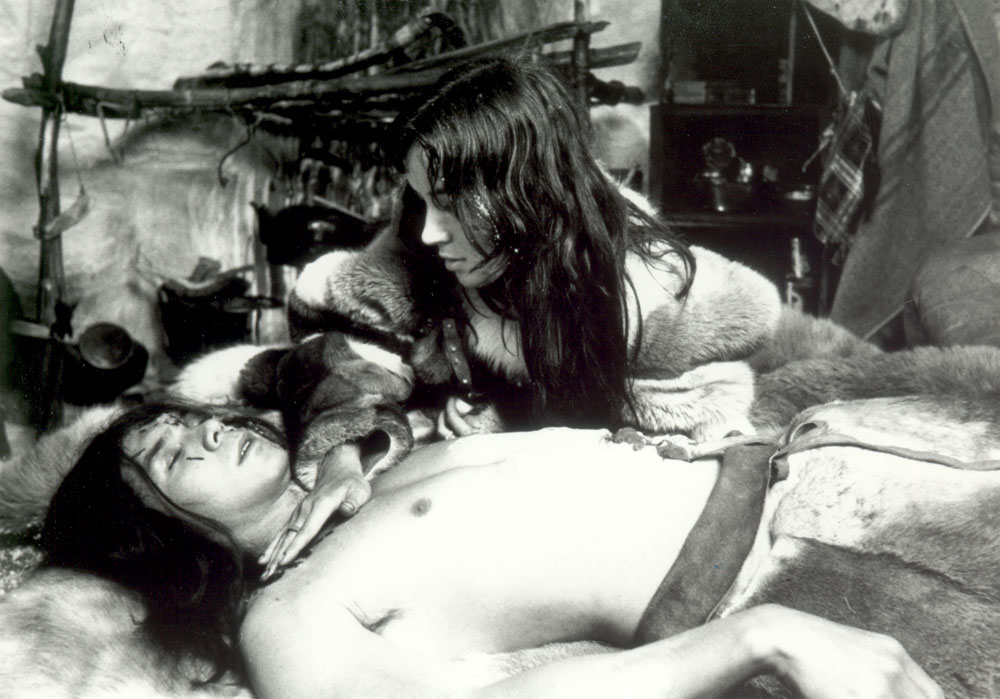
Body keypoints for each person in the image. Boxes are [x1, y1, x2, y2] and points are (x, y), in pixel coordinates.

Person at [39, 401, 942, 699]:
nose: (205, 429)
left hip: (831, 460)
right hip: (812, 580)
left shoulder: (355, 469)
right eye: (171, 455)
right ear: (160, 536)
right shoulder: (286, 615)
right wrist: (759, 636)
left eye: (191, 415)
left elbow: (320, 361)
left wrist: (352, 448)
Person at [288, 56, 832, 445]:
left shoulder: (650, 295)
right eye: (423, 199)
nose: (431, 231)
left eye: (450, 204)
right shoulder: (419, 243)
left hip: (807, 353)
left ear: (524, 197)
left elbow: (753, 321)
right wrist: (354, 443)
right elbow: (319, 319)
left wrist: (511, 413)